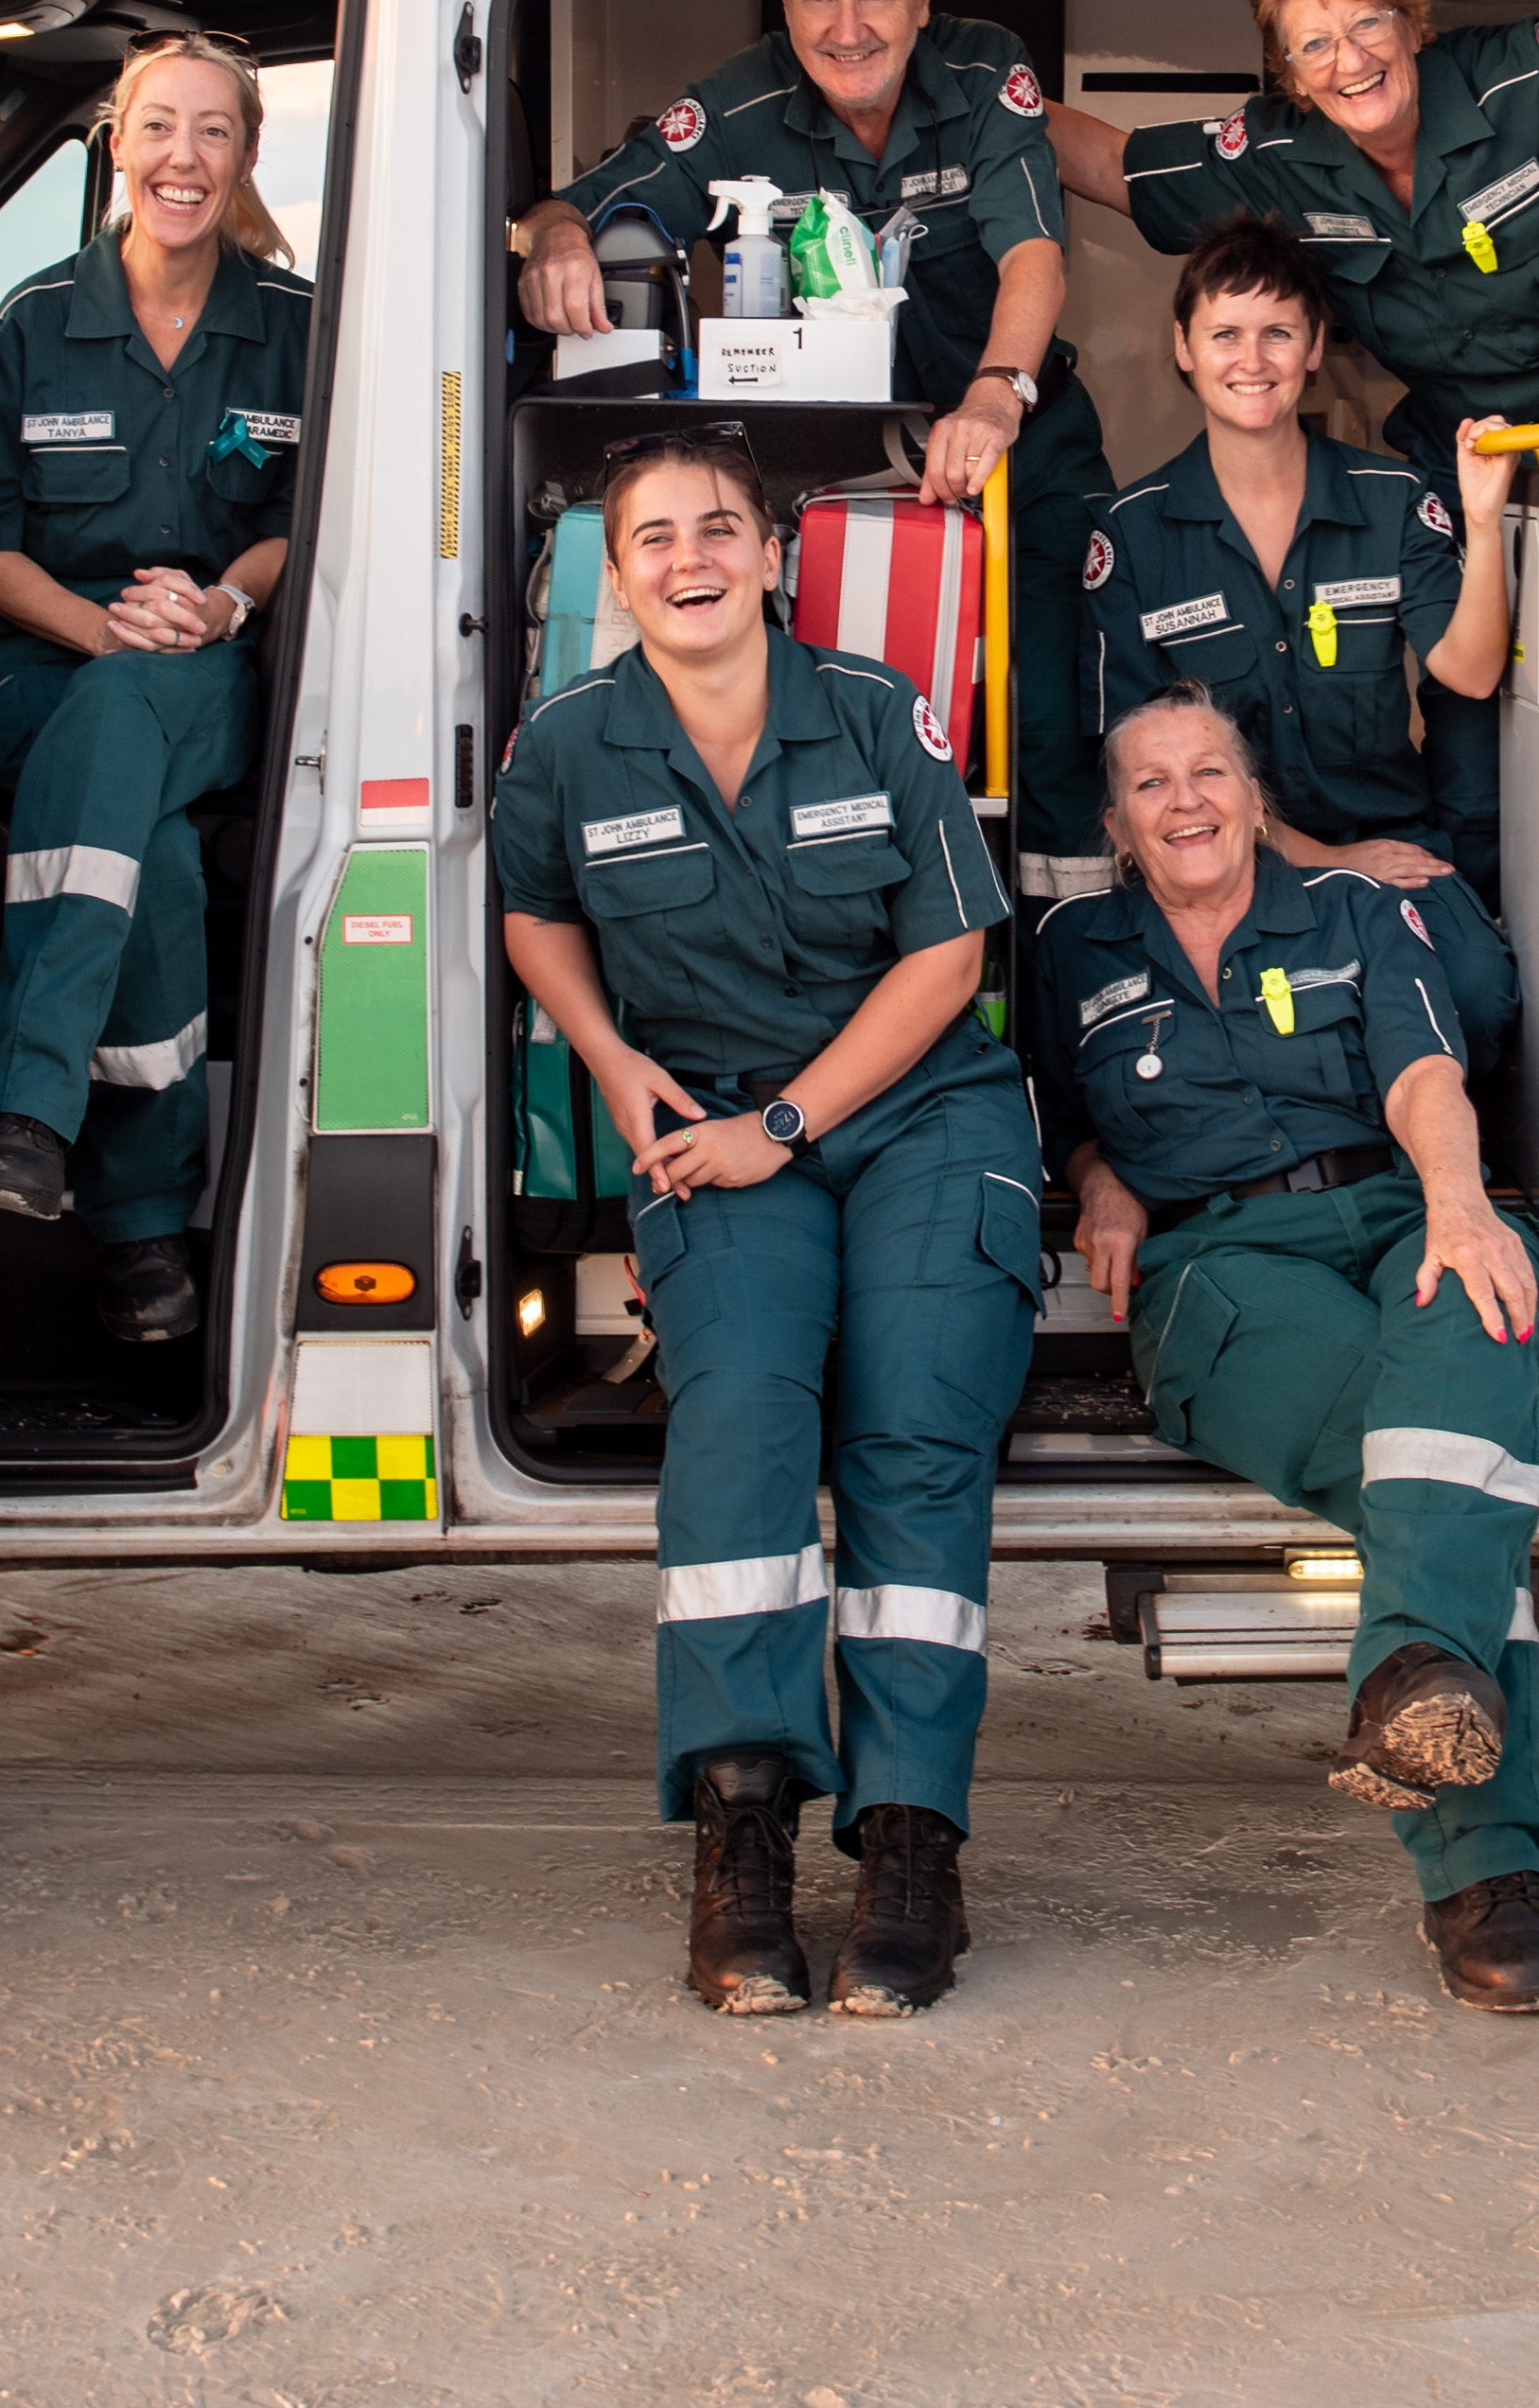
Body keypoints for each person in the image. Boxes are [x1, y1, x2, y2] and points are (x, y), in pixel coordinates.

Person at [493, 429, 1041, 2018]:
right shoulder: (568, 742)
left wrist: (784, 1125)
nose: (692, 559)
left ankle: (911, 1843)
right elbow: (535, 913)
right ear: (619, 573)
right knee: (737, 1420)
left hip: (919, 1116)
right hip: (711, 1126)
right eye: (656, 537)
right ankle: (742, 1827)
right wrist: (611, 1058)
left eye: (719, 528)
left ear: (772, 556)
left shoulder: (872, 708)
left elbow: (950, 954)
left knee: (914, 1432)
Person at [1043, 688, 1539, 2014]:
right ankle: (1487, 1869)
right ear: (1116, 824)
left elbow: (1422, 1072)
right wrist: (1100, 1178)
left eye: (1210, 772)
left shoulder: (1354, 909)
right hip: (1220, 1266)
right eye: (1152, 783)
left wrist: (1458, 1204)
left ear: (1256, 797)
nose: (1186, 801)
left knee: (1479, 1307)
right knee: (1453, 1474)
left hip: (1397, 1209)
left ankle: (1413, 1691)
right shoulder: (1070, 946)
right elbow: (1047, 1110)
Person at [1055, 0, 1539, 890]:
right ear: (1288, 70)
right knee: (1473, 754)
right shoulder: (1281, 153)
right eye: (1313, 43)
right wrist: (959, 87)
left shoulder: (1536, 78)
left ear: (1411, 20)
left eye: (1366, 22)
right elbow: (1115, 167)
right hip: (1462, 461)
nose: (1349, 60)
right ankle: (1470, 926)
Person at [515, 0, 1107, 857]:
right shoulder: (735, 104)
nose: (847, 29)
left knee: (1053, 717)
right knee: (842, 742)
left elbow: (1033, 253)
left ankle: (1053, 937)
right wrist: (559, 241)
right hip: (834, 480)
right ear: (784, 1)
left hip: (1016, 447)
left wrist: (997, 395)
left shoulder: (986, 67)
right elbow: (571, 204)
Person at [0, 30, 315, 1343]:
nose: (183, 156)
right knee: (139, 821)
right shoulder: (34, 320)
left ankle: (29, 1113)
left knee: (131, 736)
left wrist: (223, 604)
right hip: (32, 670)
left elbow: (299, 523)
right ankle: (141, 1223)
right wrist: (102, 632)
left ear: (247, 155)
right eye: (159, 125)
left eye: (215, 130)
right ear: (116, 144)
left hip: (206, 663)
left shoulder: (297, 326)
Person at [1076, 216, 1522, 1049]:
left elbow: (1469, 672)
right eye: (1225, 335)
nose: (1252, 360)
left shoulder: (1393, 498)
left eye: (1278, 333)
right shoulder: (1132, 535)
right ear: (1183, 348)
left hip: (1388, 846)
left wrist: (1483, 521)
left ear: (1314, 348)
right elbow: (1136, 758)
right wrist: (1324, 858)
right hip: (1220, 859)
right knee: (1260, 1034)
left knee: (1476, 996)